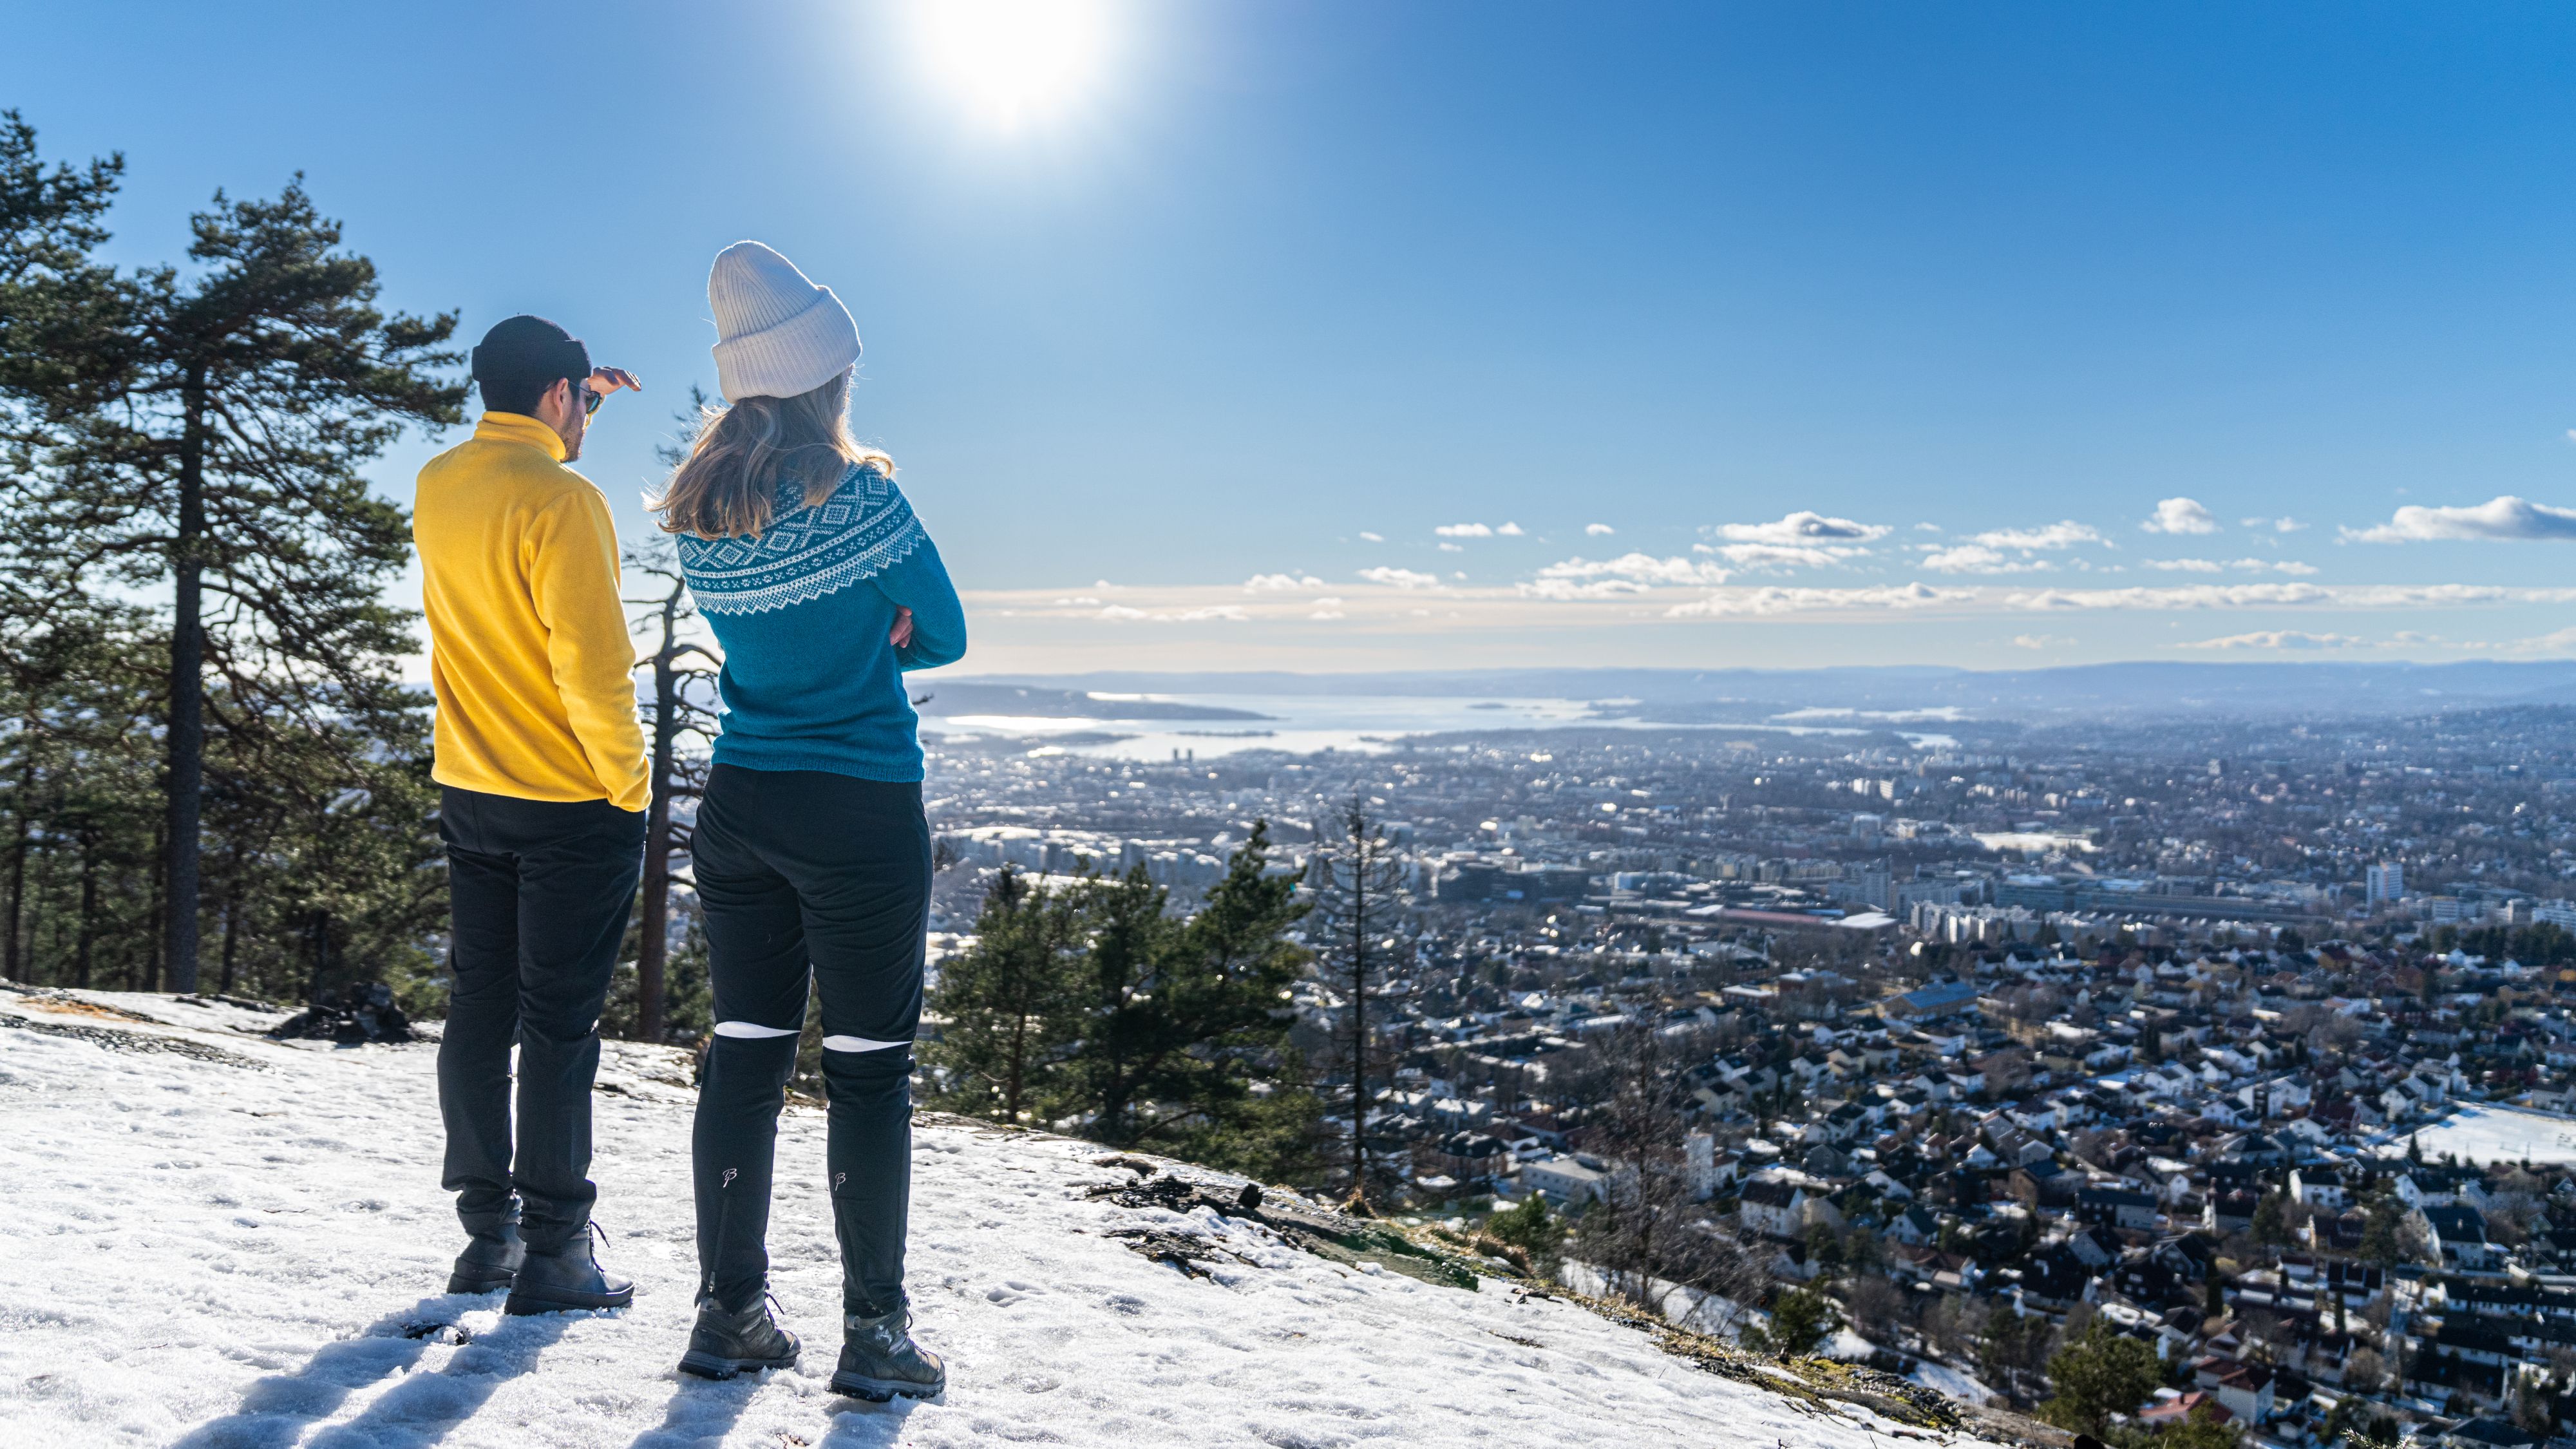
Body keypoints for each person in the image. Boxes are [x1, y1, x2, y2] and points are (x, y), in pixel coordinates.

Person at [654, 242, 963, 1400]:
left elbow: (771, 640)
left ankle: (729, 1313)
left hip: (741, 804)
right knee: (871, 1070)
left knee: (743, 1054)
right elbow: (945, 631)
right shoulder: (867, 498)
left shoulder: (701, 512)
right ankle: (875, 1334)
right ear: (824, 374)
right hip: (860, 810)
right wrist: (883, 633)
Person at [412, 314, 650, 1315]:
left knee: (480, 1006)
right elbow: (593, 670)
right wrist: (629, 784)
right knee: (559, 1026)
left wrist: (576, 391)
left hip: (471, 788)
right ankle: (558, 1253)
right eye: (579, 400)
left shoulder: (440, 483)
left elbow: (524, 431)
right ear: (558, 397)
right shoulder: (569, 500)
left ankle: (488, 1239)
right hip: (568, 800)